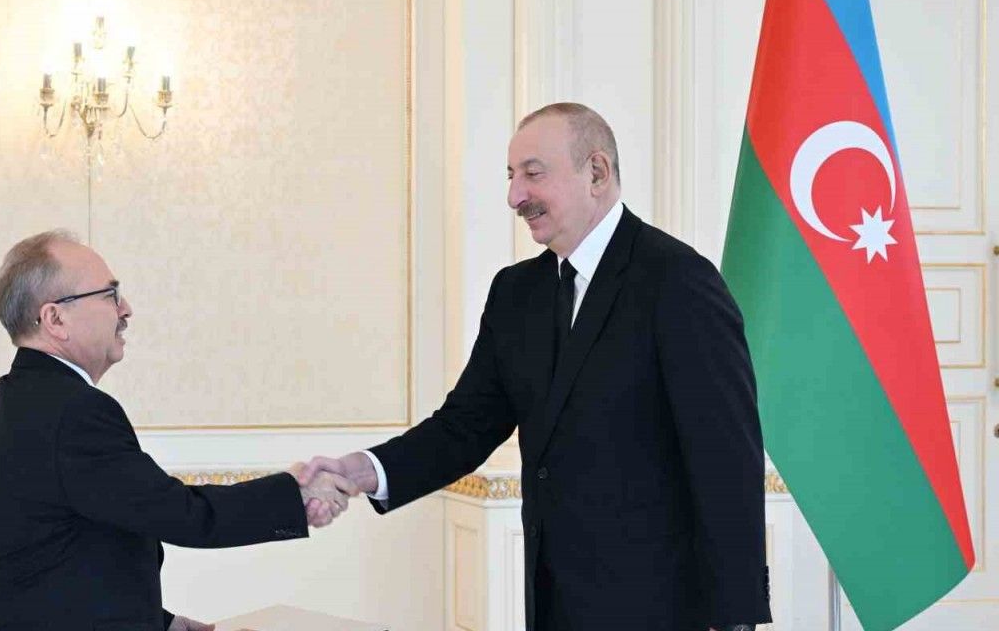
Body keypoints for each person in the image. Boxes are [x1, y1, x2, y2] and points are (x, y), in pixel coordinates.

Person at [297, 103, 770, 631]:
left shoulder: (678, 280)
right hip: (554, 603)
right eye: (511, 176)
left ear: (597, 172)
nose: (515, 196)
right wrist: (361, 471)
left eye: (532, 174)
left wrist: (735, 618)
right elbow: (464, 427)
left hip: (664, 609)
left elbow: (726, 459)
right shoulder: (514, 292)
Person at [0, 230, 354, 631]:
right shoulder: (73, 412)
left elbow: (55, 563)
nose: (126, 309)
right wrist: (295, 493)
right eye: (110, 295)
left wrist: (162, 623)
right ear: (55, 319)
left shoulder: (17, 402)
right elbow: (180, 514)